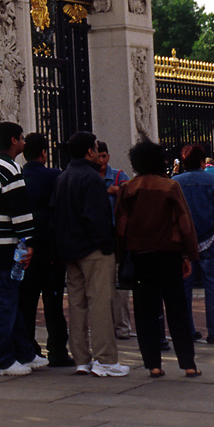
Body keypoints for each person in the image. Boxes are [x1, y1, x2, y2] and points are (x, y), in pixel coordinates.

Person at [115, 139, 200, 378]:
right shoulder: (170, 187)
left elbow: (121, 226)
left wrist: (121, 256)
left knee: (145, 310)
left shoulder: (128, 188)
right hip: (169, 254)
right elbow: (184, 223)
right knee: (177, 308)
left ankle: (153, 363)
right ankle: (188, 363)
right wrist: (189, 254)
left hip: (140, 255)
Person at [51, 131, 128, 376]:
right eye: (96, 148)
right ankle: (105, 359)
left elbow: (56, 215)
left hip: (69, 250)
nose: (98, 152)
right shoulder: (92, 178)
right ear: (89, 152)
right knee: (100, 303)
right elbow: (97, 217)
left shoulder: (63, 178)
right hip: (94, 250)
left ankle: (81, 359)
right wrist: (107, 245)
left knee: (77, 304)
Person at [0, 122, 44, 376]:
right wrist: (30, 241)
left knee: (6, 301)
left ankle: (24, 353)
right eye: (22, 138)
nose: (25, 142)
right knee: (4, 303)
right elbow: (19, 209)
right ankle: (1, 359)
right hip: (4, 246)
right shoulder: (11, 168)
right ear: (14, 140)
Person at [18, 133, 73, 366]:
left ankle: (28, 347)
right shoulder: (54, 175)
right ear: (44, 153)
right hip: (50, 249)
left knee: (27, 303)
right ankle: (58, 350)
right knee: (54, 304)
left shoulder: (18, 176)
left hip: (25, 248)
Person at [173, 143, 214, 344]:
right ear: (203, 162)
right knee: (211, 285)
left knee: (184, 287)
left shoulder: (175, 183)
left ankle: (188, 330)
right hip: (210, 237)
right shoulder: (213, 180)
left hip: (183, 242)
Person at [96, 141, 133, 339]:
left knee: (120, 288)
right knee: (103, 286)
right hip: (100, 239)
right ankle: (106, 325)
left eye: (104, 156)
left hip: (118, 239)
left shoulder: (119, 177)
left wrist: (119, 192)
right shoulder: (91, 179)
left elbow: (133, 199)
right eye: (98, 156)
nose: (101, 160)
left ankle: (122, 326)